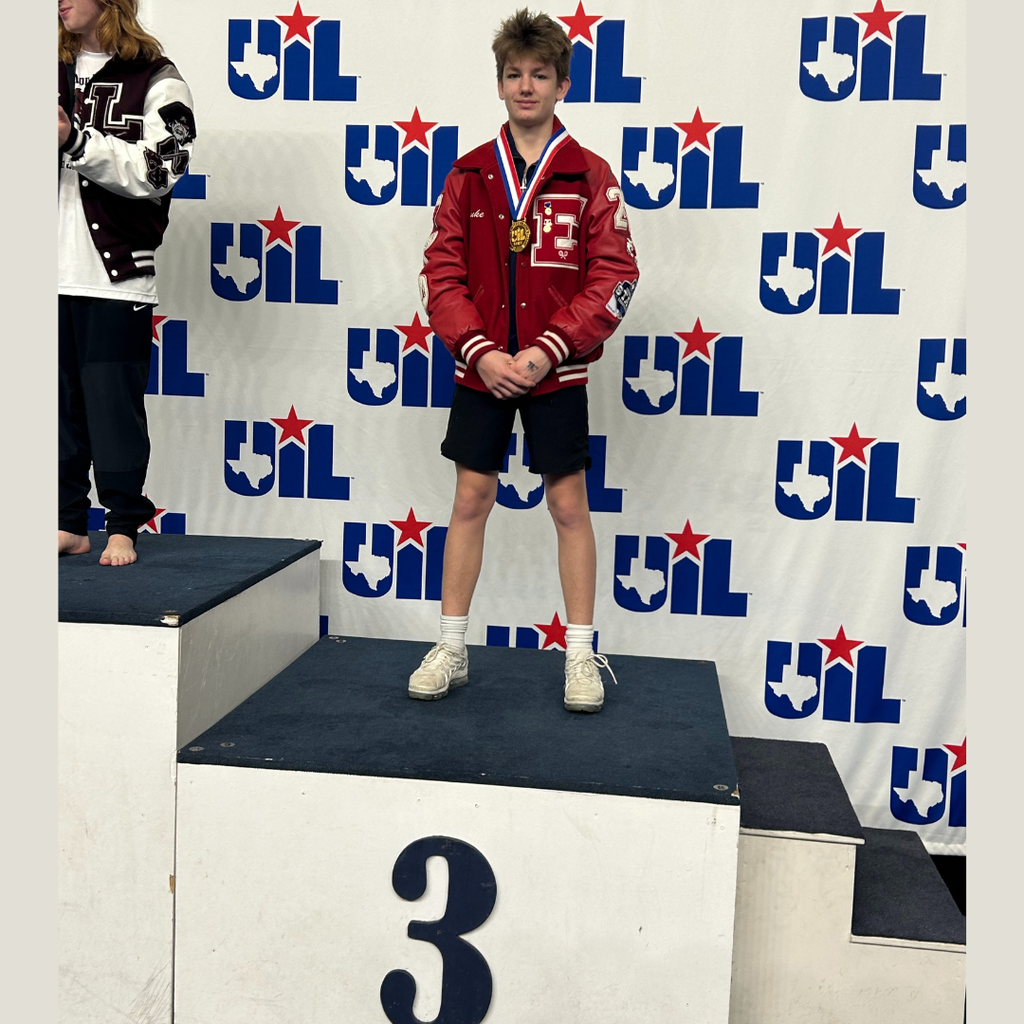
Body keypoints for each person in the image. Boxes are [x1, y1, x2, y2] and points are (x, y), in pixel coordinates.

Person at [411, 8, 639, 712]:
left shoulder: (589, 174)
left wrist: (548, 349)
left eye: (540, 75)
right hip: (481, 368)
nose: (526, 86)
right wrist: (479, 352)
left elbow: (616, 276)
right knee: (470, 499)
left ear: (563, 84)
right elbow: (440, 272)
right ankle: (451, 646)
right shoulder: (470, 172)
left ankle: (580, 654)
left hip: (555, 370)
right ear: (500, 83)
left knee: (568, 504)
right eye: (514, 75)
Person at [57, 0, 196, 566]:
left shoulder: (157, 78)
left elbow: (164, 167)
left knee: (114, 408)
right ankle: (66, 521)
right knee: (53, 410)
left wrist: (76, 141)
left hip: (114, 278)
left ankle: (122, 525)